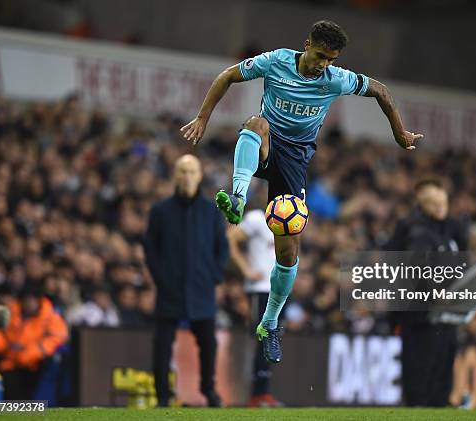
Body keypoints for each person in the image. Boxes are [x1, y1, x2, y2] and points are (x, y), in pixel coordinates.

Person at [181, 20, 423, 363]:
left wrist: (400, 133)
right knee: (256, 124)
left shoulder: (336, 79)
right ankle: (237, 195)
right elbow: (227, 77)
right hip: (266, 145)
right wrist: (203, 118)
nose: (324, 64)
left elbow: (381, 91)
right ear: (307, 44)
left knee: (288, 250)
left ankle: (270, 322)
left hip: (294, 161)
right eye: (321, 55)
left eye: (331, 59)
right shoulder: (276, 61)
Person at [144, 154, 229, 407]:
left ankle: (208, 390)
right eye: (182, 171)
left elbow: (221, 248)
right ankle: (161, 395)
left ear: (200, 175)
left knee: (208, 343)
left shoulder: (211, 211)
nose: (187, 176)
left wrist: (214, 276)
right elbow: (151, 249)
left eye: (192, 171)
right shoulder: (160, 211)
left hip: (201, 290)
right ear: (175, 176)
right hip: (170, 290)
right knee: (162, 344)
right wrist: (161, 278)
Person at [386, 178, 469, 407]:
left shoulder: (454, 227)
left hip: (448, 312)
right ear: (421, 202)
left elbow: (464, 263)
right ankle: (418, 407)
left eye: (443, 203)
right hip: (419, 313)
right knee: (419, 372)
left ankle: (439, 405)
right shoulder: (412, 227)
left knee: (443, 371)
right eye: (434, 203)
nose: (440, 208)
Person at [227, 207, 282, 407]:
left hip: (278, 290)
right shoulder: (257, 217)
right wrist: (246, 270)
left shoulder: (287, 217)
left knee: (271, 343)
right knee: (261, 340)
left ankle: (263, 392)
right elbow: (231, 238)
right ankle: (256, 394)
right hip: (260, 289)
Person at [0, 285, 68, 400]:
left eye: (32, 300)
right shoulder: (11, 312)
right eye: (26, 300)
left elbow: (59, 337)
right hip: (9, 363)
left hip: (36, 365)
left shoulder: (50, 316)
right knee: (2, 383)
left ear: (38, 300)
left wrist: (32, 353)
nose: (29, 304)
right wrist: (0, 345)